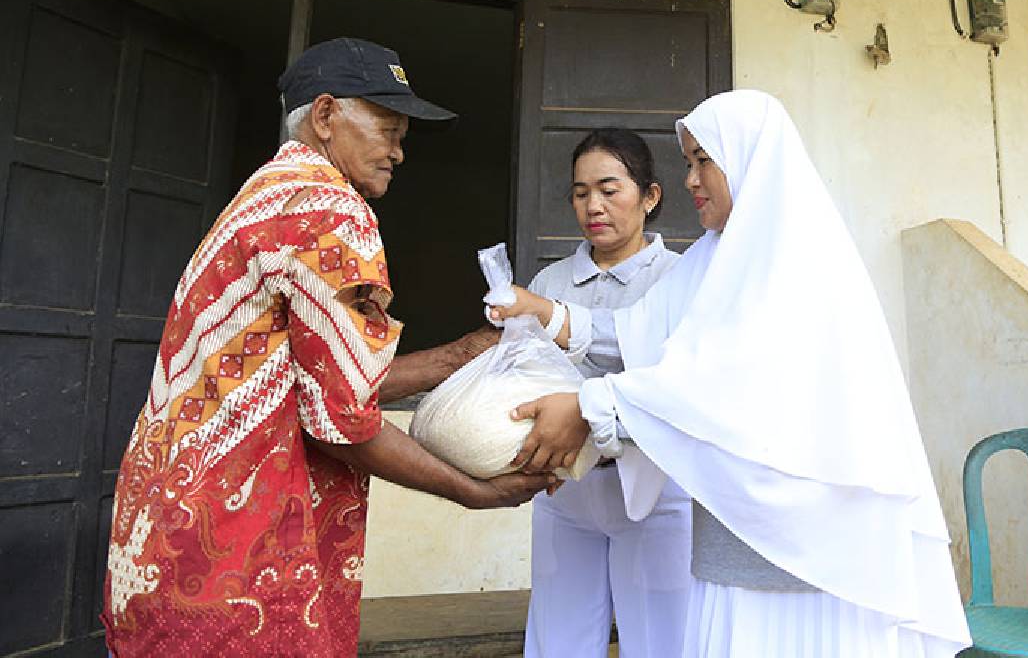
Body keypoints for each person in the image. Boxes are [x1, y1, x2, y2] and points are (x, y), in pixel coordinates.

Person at [103, 38, 554, 656]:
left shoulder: (264, 194)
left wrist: (462, 354)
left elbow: (312, 384)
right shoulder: (331, 210)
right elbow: (341, 423)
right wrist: (471, 491)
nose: (399, 151)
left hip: (161, 536)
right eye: (388, 128)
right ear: (324, 116)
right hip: (240, 551)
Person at [493, 90, 972, 657]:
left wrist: (590, 407)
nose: (692, 180)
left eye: (703, 161)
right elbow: (641, 331)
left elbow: (721, 382)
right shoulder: (714, 256)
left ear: (747, 160)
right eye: (689, 162)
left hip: (806, 527)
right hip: (739, 518)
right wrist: (549, 312)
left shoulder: (795, 256)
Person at [522, 129, 690, 658]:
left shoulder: (680, 278)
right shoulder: (548, 284)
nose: (593, 205)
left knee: (663, 640)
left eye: (609, 189)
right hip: (566, 492)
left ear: (650, 196)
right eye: (579, 192)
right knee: (558, 640)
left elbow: (671, 376)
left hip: (655, 490)